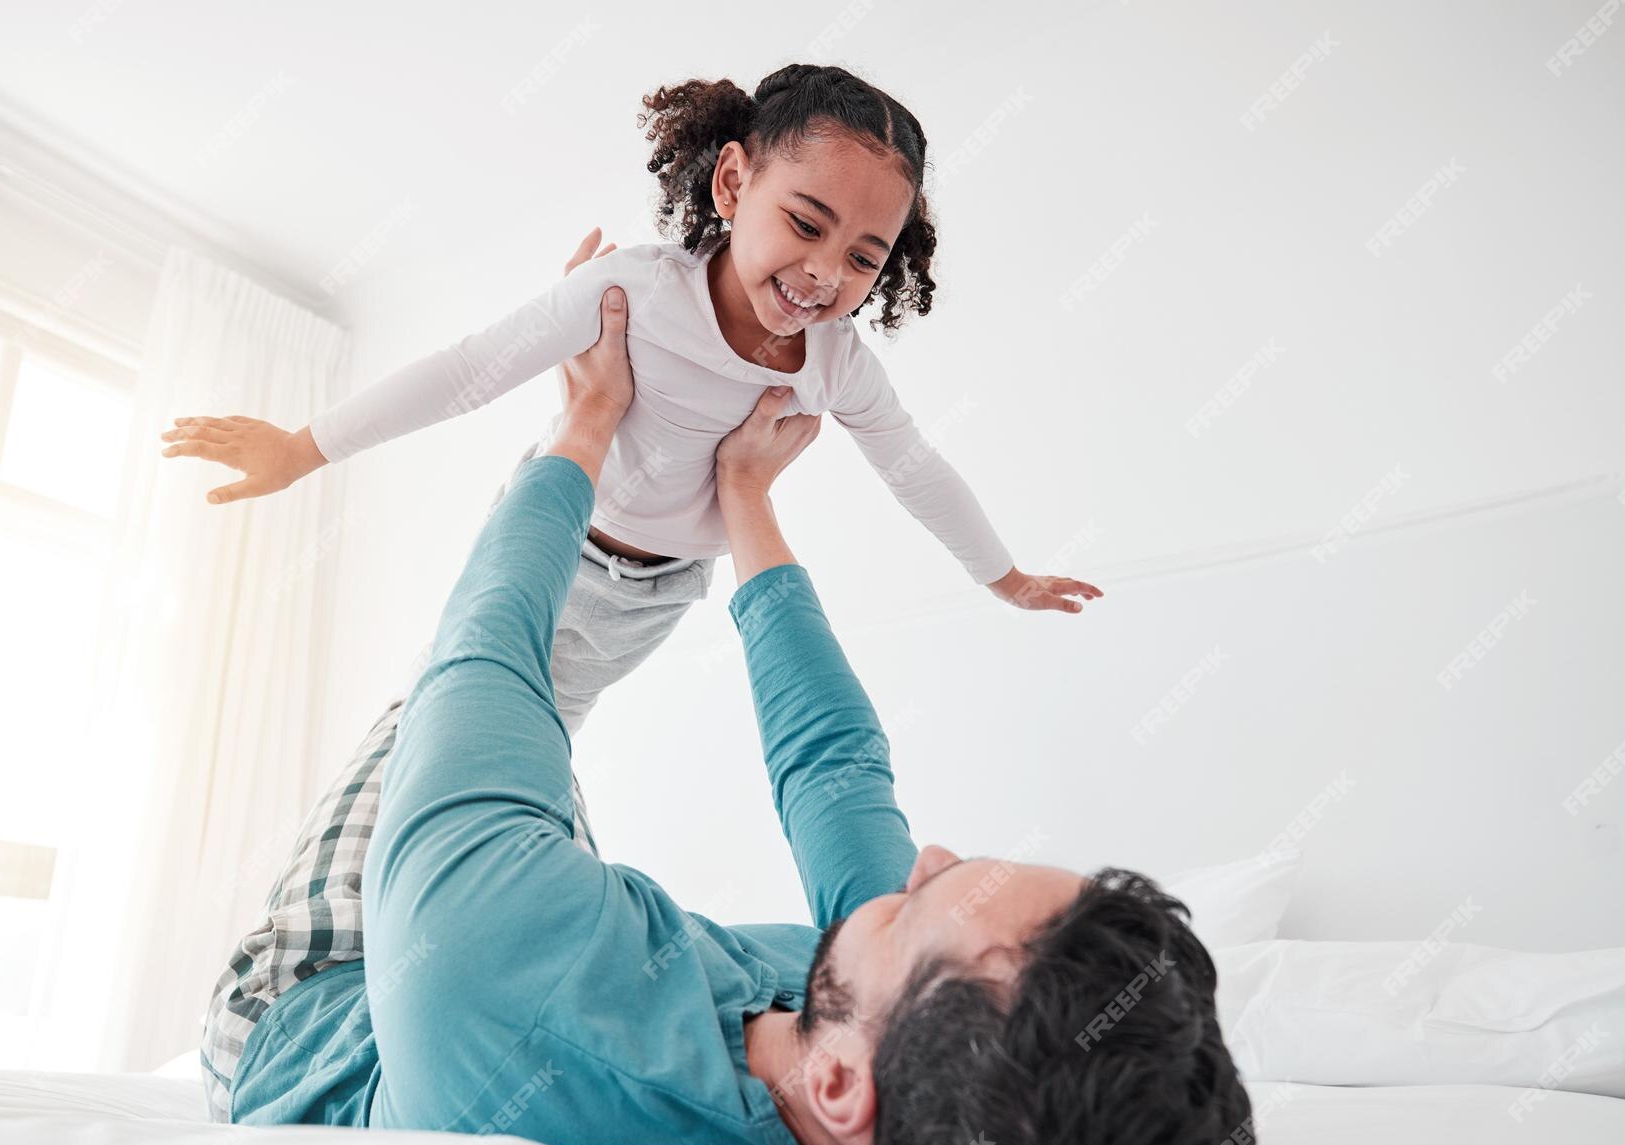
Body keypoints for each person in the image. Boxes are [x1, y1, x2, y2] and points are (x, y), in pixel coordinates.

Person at [200, 272, 1254, 1145]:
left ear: (840, 1086)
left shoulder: (491, 976)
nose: (930, 860)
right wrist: (742, 491)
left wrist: (586, 420)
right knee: (537, 712)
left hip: (323, 999)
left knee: (478, 704)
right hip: (521, 939)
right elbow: (831, 766)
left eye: (927, 900)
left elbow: (478, 662)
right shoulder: (900, 1055)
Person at [162, 62, 1104, 742]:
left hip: (655, 594)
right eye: (806, 225)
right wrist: (303, 446)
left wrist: (1002, 576)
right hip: (550, 534)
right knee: (453, 705)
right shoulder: (634, 292)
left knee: (548, 732)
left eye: (863, 257)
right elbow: (471, 369)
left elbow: (914, 468)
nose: (825, 272)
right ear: (734, 182)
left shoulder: (837, 363)